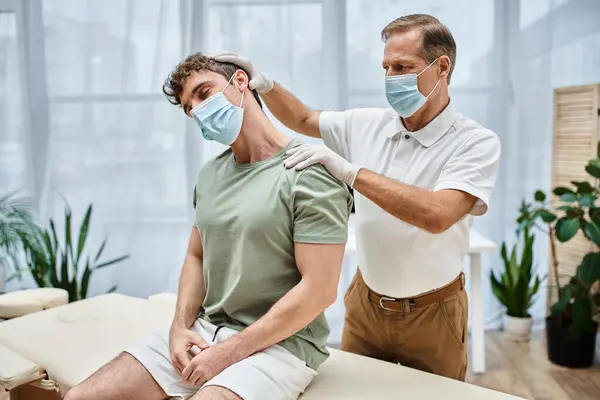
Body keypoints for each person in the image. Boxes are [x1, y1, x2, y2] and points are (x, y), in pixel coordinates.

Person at [214, 14, 501, 382]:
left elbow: (438, 214)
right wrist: (266, 85)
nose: (391, 78)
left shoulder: (475, 142)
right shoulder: (366, 124)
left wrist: (351, 173)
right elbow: (303, 119)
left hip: (434, 314)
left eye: (403, 67)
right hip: (366, 305)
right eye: (386, 68)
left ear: (441, 67)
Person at [64, 54, 353, 400]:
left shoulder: (309, 172)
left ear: (242, 82)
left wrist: (230, 353)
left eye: (204, 93)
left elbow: (319, 291)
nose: (198, 110)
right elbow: (196, 256)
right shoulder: (211, 174)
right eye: (189, 107)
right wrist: (179, 328)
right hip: (207, 330)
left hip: (281, 346)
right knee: (79, 397)